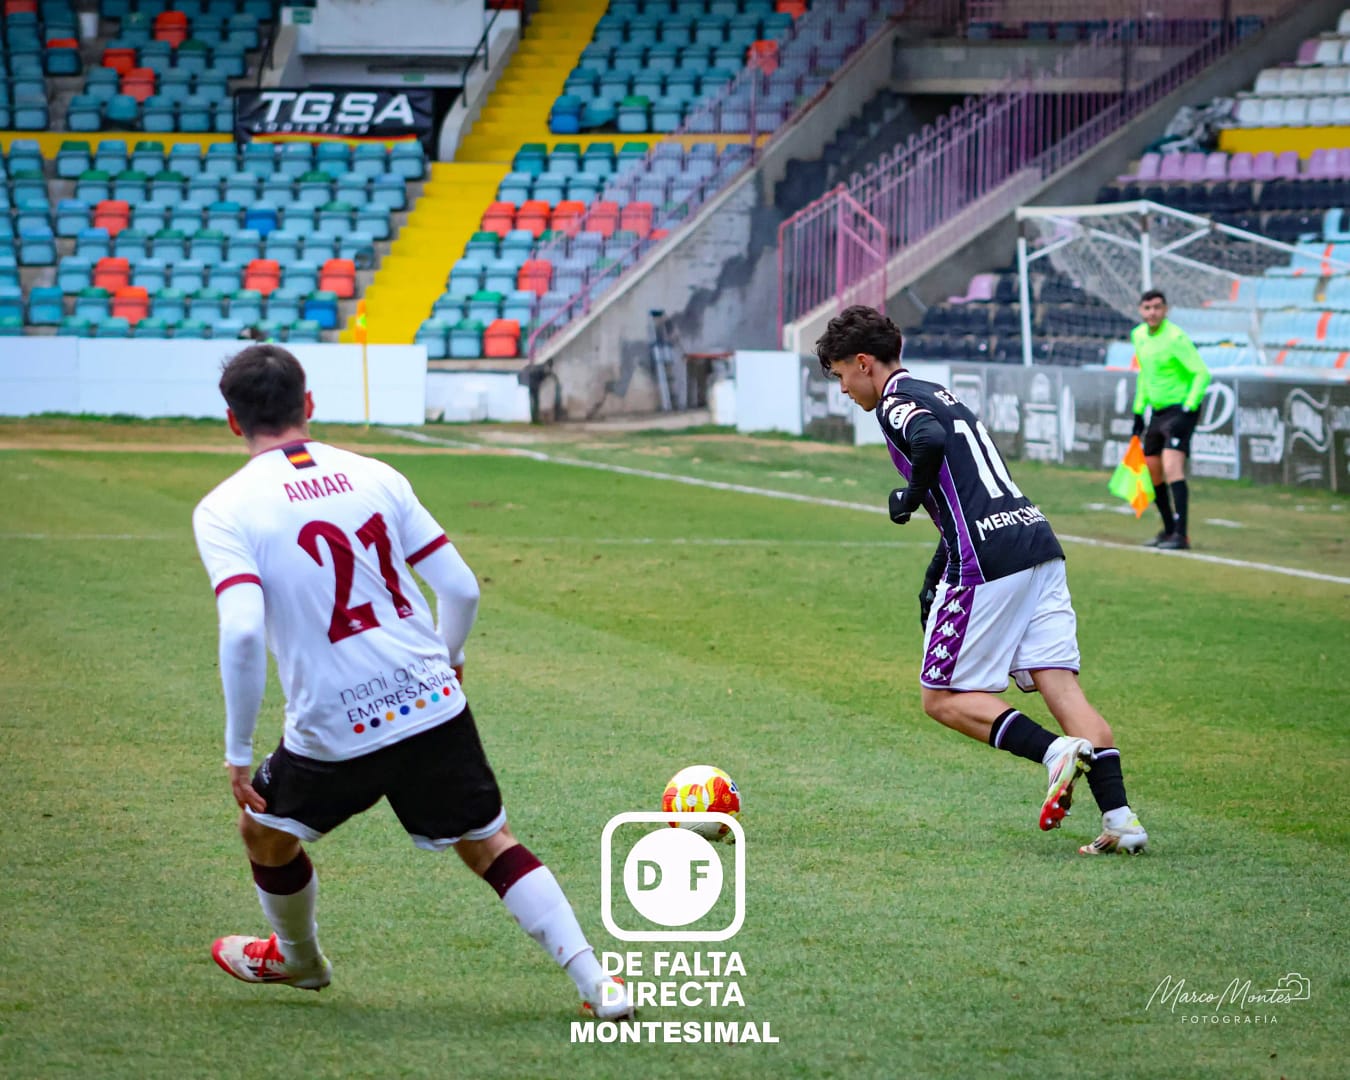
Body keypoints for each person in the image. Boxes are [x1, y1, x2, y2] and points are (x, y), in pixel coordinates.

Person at [192, 344, 632, 1014]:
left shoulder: (225, 509)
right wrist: (448, 660)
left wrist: (236, 752)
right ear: (309, 405)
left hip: (335, 727)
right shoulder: (376, 475)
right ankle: (597, 982)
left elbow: (245, 630)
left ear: (231, 422)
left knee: (263, 832)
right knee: (488, 845)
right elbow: (459, 587)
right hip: (430, 702)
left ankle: (299, 960)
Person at [816, 306, 1147, 855]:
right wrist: (932, 573)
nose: (844, 388)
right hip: (1036, 541)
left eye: (841, 375)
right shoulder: (937, 392)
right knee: (1060, 685)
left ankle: (1053, 753)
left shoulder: (897, 402)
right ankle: (1121, 821)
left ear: (864, 362)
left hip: (988, 559)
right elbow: (962, 491)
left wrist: (909, 494)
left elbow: (929, 445)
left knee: (941, 697)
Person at [1130, 290, 1210, 550]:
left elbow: (1201, 373)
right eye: (1147, 308)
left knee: (1172, 466)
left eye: (1157, 307)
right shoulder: (1138, 336)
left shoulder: (1175, 338)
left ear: (1166, 310)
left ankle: (1181, 535)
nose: (1152, 312)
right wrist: (1138, 410)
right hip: (1158, 412)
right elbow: (1145, 374)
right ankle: (1168, 530)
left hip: (1180, 410)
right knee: (1153, 471)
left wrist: (1189, 407)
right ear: (1141, 311)